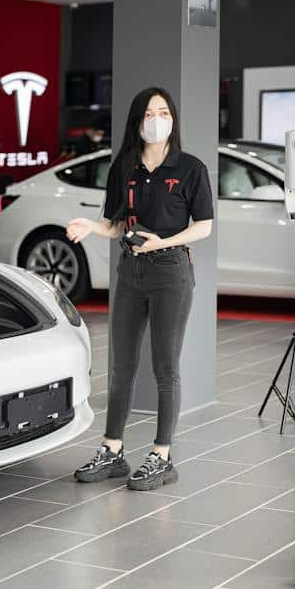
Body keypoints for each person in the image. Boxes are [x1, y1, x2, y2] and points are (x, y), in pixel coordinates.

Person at [65, 88, 213, 491]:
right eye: (150, 112)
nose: (157, 119)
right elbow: (116, 224)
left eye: (164, 112)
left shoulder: (190, 168)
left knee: (165, 367)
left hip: (170, 273)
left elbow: (204, 226)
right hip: (130, 273)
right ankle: (112, 450)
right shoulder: (125, 167)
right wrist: (90, 226)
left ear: (173, 120)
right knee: (122, 366)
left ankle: (162, 455)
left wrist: (161, 243)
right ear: (137, 121)